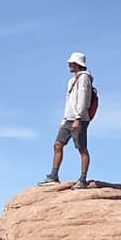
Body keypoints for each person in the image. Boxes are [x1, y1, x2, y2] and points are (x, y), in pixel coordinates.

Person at [45, 52, 100, 186]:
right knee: (57, 145)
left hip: (79, 119)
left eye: (71, 63)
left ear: (77, 64)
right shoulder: (71, 80)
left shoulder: (84, 78)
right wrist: (63, 120)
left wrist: (78, 117)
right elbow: (68, 101)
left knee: (81, 148)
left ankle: (82, 179)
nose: (69, 65)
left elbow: (84, 98)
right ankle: (54, 175)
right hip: (68, 119)